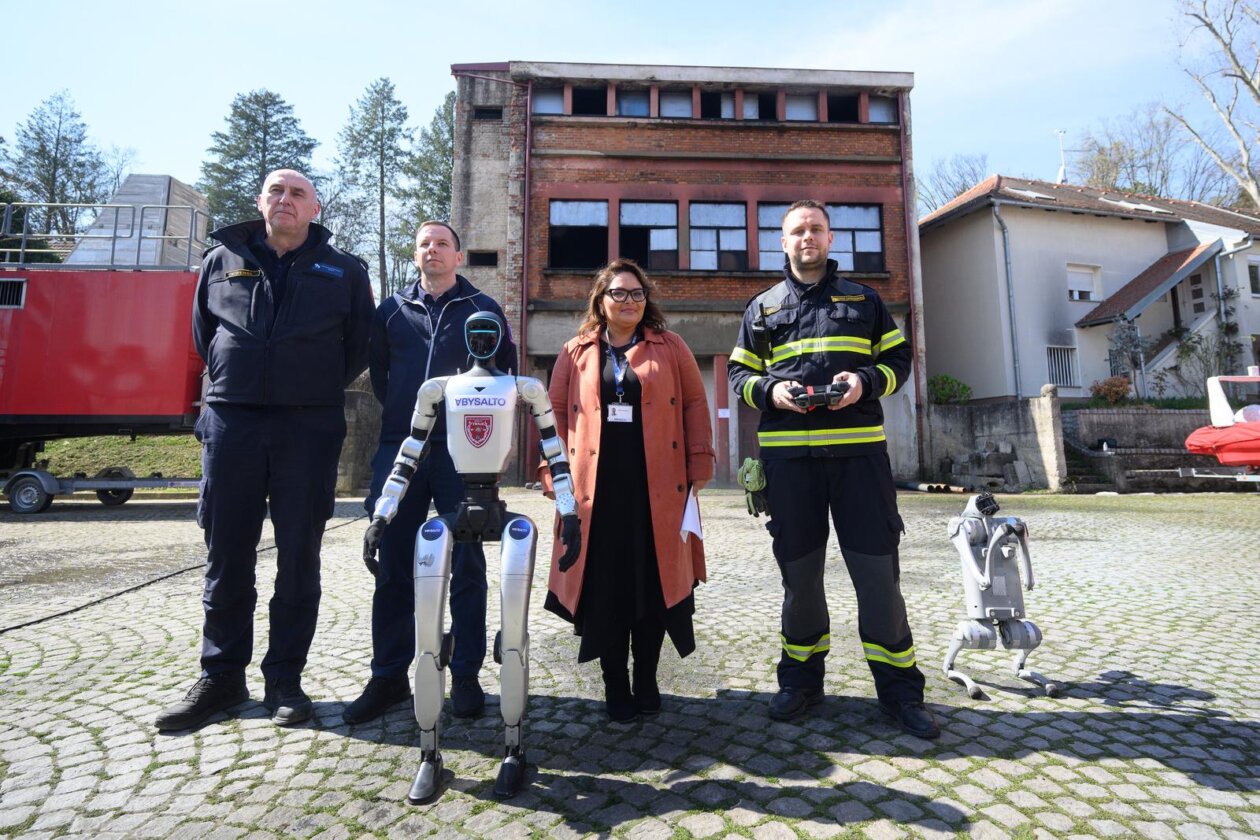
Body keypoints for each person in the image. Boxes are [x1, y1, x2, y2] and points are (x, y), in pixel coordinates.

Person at [156, 169, 374, 731]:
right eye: (276, 191)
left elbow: (357, 348)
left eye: (298, 193)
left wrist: (305, 384)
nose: (286, 200)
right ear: (260, 202)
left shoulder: (345, 271)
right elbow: (204, 335)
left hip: (308, 429)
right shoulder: (221, 260)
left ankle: (285, 680)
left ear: (315, 209)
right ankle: (222, 676)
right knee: (227, 553)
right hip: (232, 425)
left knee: (299, 557)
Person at [727, 200, 940, 739]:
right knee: (800, 582)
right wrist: (772, 389)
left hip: (859, 461)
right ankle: (800, 682)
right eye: (797, 230)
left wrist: (864, 384)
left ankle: (900, 692)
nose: (807, 237)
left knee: (878, 580)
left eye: (815, 229)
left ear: (829, 238)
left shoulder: (865, 301)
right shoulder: (763, 309)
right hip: (789, 464)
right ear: (782, 241)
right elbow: (738, 374)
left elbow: (898, 362)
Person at [343, 221, 517, 725]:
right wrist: (408, 423)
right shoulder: (392, 311)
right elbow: (382, 378)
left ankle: (465, 673)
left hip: (466, 454)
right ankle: (388, 675)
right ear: (415, 255)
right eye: (424, 244)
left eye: (442, 243)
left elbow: (502, 377)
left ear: (458, 256)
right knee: (393, 559)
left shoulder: (484, 310)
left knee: (467, 563)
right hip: (402, 447)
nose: (432, 250)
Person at [540, 258, 714, 722]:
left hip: (657, 490)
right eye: (618, 293)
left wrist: (700, 463)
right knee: (606, 590)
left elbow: (696, 404)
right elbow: (553, 416)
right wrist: (552, 474)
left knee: (652, 586)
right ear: (600, 299)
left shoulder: (671, 346)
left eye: (637, 293)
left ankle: (647, 678)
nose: (629, 301)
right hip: (593, 494)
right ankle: (614, 682)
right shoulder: (574, 351)